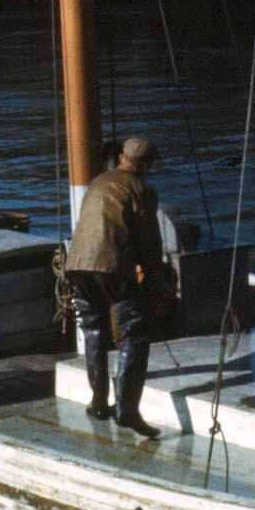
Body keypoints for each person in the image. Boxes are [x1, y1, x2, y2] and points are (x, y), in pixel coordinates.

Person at [66, 136, 168, 438]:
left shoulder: (97, 182)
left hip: (77, 263)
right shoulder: (142, 190)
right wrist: (156, 286)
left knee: (94, 328)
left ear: (122, 157)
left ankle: (98, 403)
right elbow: (149, 245)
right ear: (147, 166)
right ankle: (127, 411)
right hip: (111, 266)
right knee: (135, 332)